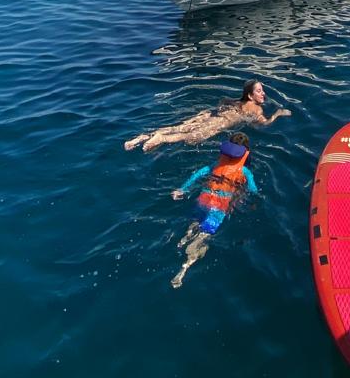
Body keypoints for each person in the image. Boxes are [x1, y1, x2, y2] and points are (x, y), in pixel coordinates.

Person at [170, 132, 257, 287]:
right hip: (219, 207)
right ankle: (185, 267)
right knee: (204, 236)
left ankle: (183, 239)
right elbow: (253, 190)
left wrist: (182, 189)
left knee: (194, 224)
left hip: (203, 200)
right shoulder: (245, 172)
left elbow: (197, 175)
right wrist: (252, 201)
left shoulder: (216, 164)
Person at [123, 80, 291, 152]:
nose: (263, 93)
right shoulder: (257, 110)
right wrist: (278, 114)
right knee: (190, 137)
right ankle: (161, 138)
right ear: (250, 96)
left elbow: (222, 102)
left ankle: (141, 138)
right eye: (259, 91)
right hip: (219, 123)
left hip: (210, 114)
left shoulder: (236, 101)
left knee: (178, 127)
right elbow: (264, 123)